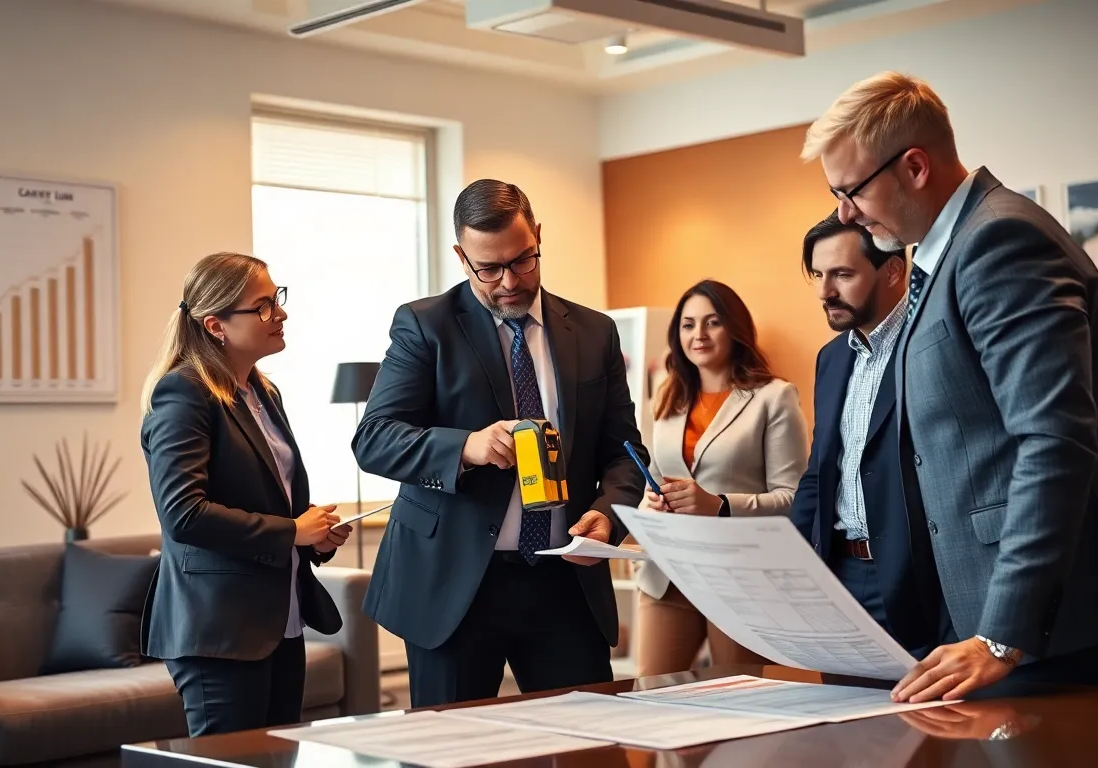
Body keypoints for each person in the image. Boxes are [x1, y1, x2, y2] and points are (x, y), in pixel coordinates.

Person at [801, 72, 1098, 701]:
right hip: (979, 616)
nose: (844, 213)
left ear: (913, 167)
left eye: (850, 191)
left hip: (1038, 631)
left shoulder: (999, 240)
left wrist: (1002, 634)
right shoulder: (943, 255)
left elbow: (1053, 442)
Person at [352, 179, 648, 707]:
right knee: (453, 751)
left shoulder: (595, 332)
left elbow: (624, 453)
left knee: (589, 745)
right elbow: (374, 439)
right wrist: (465, 446)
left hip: (565, 582)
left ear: (537, 236)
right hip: (456, 585)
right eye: (489, 269)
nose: (509, 281)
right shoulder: (425, 326)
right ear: (461, 257)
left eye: (522, 261)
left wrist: (608, 515)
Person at [139, 252, 353, 736]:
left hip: (280, 621)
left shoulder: (263, 392)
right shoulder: (183, 392)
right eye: (262, 305)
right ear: (216, 325)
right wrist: (290, 531)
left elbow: (272, 500)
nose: (280, 313)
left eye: (276, 298)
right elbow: (184, 515)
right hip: (220, 629)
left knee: (278, 757)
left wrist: (312, 535)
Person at [635, 279, 808, 676]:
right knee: (652, 700)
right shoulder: (667, 397)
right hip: (669, 573)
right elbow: (654, 483)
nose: (698, 335)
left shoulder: (774, 397)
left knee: (736, 704)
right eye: (688, 324)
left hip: (739, 578)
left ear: (735, 328)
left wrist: (720, 505)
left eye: (712, 322)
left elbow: (794, 498)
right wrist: (653, 503)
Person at [789, 211, 939, 657]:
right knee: (839, 720)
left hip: (916, 576)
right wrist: (798, 570)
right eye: (817, 274)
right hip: (838, 575)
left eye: (842, 274)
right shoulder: (831, 358)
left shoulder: (932, 344)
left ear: (894, 270)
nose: (824, 291)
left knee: (926, 722)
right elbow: (819, 473)